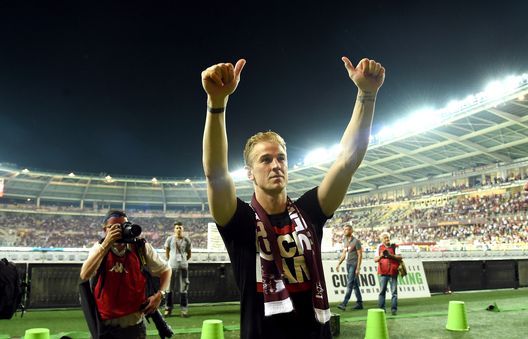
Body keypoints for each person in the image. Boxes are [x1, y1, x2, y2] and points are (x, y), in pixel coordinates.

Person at [201, 56, 385, 339]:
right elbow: (215, 174)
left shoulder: (310, 211)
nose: (276, 165)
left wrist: (367, 95)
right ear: (249, 173)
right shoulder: (239, 221)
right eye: (265, 160)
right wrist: (216, 103)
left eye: (281, 158)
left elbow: (348, 161)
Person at [80, 210, 171, 339]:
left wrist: (160, 294)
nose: (119, 231)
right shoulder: (99, 248)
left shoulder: (140, 247)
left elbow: (166, 270)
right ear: (105, 230)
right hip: (105, 325)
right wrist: (106, 244)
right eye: (113, 228)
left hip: (134, 324)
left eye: (123, 226)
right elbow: (85, 274)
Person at [164, 221, 192, 317]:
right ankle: (168, 309)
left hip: (183, 268)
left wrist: (183, 261)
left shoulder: (187, 240)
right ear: (174, 229)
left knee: (183, 289)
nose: (178, 229)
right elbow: (167, 252)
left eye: (180, 227)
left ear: (183, 229)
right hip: (171, 267)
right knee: (169, 289)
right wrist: (171, 261)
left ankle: (184, 310)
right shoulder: (170, 239)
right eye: (177, 228)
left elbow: (189, 254)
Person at [336, 225, 363, 311]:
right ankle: (359, 303)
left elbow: (360, 255)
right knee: (355, 284)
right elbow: (344, 253)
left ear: (351, 230)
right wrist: (339, 263)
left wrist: (358, 268)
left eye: (346, 229)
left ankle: (344, 303)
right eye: (343, 229)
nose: (344, 231)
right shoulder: (345, 241)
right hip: (348, 264)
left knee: (350, 283)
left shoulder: (356, 241)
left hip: (354, 264)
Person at [374, 231, 402, 315]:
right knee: (382, 292)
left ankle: (394, 310)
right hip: (383, 272)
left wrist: (391, 255)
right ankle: (382, 309)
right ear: (382, 240)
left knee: (394, 292)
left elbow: (400, 257)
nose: (387, 239)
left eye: (387, 237)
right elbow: (375, 259)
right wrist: (381, 256)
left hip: (393, 272)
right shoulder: (379, 247)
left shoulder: (395, 246)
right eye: (385, 238)